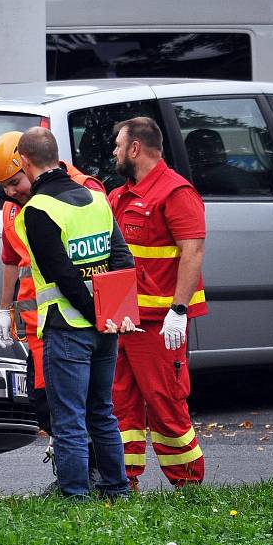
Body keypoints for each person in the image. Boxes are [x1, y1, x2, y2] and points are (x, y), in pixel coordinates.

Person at [15, 126, 136, 499]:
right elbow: (121, 258)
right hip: (107, 327)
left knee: (68, 419)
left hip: (67, 327)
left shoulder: (38, 209)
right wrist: (110, 312)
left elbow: (61, 274)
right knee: (102, 411)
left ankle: (74, 496)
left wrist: (93, 311)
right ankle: (117, 489)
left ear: (24, 161)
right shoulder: (97, 199)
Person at [0, 132, 105, 489]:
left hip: (78, 317)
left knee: (84, 404)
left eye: (14, 182)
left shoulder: (81, 190)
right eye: (4, 186)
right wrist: (4, 309)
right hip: (39, 324)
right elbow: (11, 260)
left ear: (27, 163)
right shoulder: (14, 207)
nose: (11, 191)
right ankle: (78, 472)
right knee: (45, 404)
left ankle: (91, 475)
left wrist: (101, 312)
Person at [109, 117, 207, 489]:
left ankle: (188, 486)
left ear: (135, 149)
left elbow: (193, 252)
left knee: (165, 404)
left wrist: (178, 311)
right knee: (122, 406)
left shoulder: (175, 192)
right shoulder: (120, 195)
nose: (115, 152)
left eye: (119, 145)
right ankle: (122, 482)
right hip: (124, 321)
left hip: (159, 324)